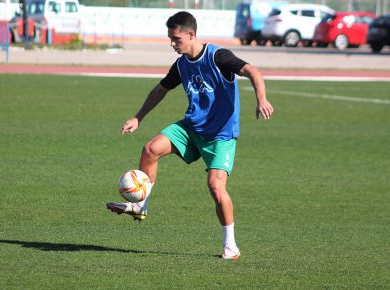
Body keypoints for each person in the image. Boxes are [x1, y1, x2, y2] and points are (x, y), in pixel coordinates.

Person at [107, 11, 274, 260]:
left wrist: (261, 98)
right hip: (191, 128)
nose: (173, 44)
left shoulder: (218, 56)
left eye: (176, 39)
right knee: (151, 149)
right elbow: (161, 89)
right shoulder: (182, 64)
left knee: (216, 188)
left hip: (220, 135)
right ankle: (140, 205)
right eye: (170, 39)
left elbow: (252, 70)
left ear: (191, 34)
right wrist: (138, 117)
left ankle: (231, 246)